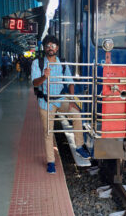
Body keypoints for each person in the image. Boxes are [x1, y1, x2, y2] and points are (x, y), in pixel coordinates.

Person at [31, 35, 90, 174]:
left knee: (76, 114)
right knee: (48, 132)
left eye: (53, 45)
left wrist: (71, 100)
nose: (50, 48)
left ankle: (79, 146)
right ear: (44, 48)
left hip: (61, 98)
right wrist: (44, 76)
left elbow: (69, 82)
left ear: (57, 48)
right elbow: (34, 83)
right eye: (47, 45)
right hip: (46, 101)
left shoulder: (62, 64)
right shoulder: (37, 63)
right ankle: (50, 162)